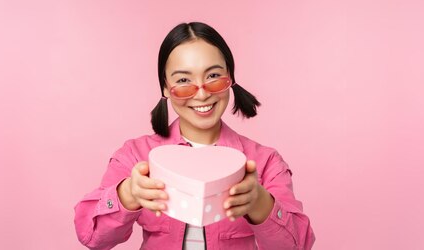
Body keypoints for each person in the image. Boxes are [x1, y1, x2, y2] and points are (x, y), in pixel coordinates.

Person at [74, 22, 315, 249]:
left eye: (212, 76)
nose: (201, 94)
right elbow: (91, 236)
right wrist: (128, 194)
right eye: (183, 80)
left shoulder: (265, 162)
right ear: (166, 88)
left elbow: (299, 245)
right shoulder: (136, 156)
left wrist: (259, 202)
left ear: (230, 77)